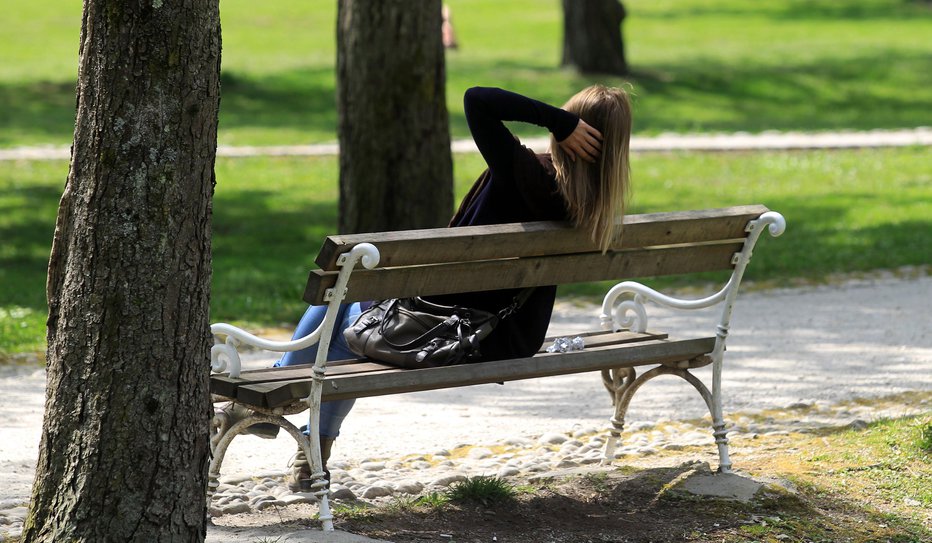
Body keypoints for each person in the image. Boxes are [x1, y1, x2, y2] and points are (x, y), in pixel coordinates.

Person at [226, 85, 633, 491]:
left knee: (338, 312)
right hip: (505, 338)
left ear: (577, 132)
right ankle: (302, 446)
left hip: (444, 328)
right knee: (344, 307)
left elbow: (478, 99)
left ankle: (271, 412)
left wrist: (558, 121)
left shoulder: (524, 173)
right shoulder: (594, 205)